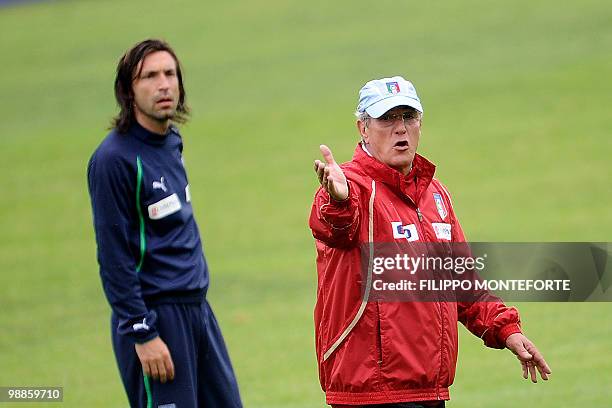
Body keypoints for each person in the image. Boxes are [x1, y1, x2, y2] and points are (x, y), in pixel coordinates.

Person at [309, 76, 551, 407]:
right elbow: (335, 227)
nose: (400, 128)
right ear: (363, 128)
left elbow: (462, 281)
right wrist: (337, 200)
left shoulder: (435, 195)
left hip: (428, 389)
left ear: (420, 122)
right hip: (371, 393)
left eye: (408, 116)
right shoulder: (350, 188)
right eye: (387, 118)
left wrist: (507, 330)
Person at [87, 39, 242, 408]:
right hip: (156, 320)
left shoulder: (171, 141)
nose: (164, 85)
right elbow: (113, 259)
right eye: (150, 76)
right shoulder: (113, 161)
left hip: (198, 312)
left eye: (170, 74)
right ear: (128, 90)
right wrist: (142, 333)